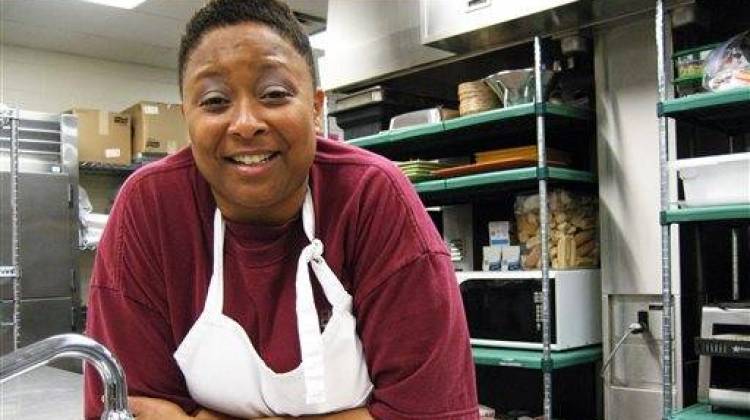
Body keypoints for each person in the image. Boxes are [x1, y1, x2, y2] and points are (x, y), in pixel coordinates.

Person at [84, 0, 478, 419]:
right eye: (215, 101)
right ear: (187, 117)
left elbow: (431, 411)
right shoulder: (150, 209)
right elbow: (128, 407)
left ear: (315, 107)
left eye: (274, 94)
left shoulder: (371, 198)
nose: (245, 123)